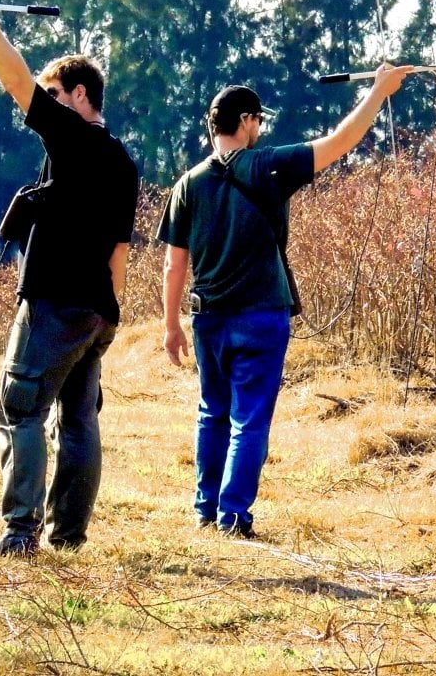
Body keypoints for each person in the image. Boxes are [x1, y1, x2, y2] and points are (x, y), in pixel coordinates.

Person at [156, 65, 411, 539]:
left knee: (212, 411)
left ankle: (205, 510)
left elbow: (173, 266)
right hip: (261, 315)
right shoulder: (269, 165)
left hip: (206, 316)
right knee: (249, 417)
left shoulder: (186, 185)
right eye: (258, 122)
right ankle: (234, 516)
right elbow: (341, 141)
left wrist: (171, 326)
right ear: (247, 120)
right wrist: (379, 91)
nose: (260, 130)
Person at [0, 0, 139, 556]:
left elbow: (16, 81)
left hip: (54, 305)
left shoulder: (74, 140)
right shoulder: (124, 163)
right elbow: (120, 250)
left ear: (78, 95)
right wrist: (110, 314)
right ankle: (69, 537)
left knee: (20, 407)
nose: (46, 108)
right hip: (97, 309)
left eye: (56, 96)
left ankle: (19, 532)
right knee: (78, 422)